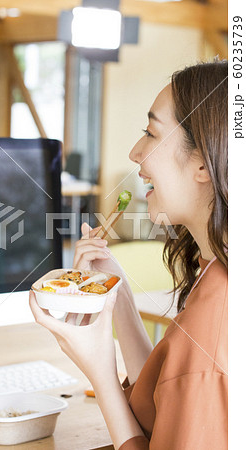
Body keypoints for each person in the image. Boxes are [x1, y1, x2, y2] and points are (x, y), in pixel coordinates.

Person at [29, 60, 228, 449]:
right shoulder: (216, 270)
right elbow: (163, 402)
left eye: (151, 133)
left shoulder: (217, 324)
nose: (136, 152)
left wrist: (101, 373)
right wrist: (117, 295)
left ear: (204, 161)